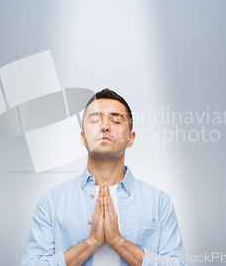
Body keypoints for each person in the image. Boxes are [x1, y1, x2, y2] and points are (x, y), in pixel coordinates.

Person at [21, 89, 187, 266]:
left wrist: (118, 242)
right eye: (95, 120)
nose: (104, 126)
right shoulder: (52, 201)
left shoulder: (159, 202)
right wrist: (90, 242)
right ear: (83, 138)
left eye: (115, 120)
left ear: (130, 138)